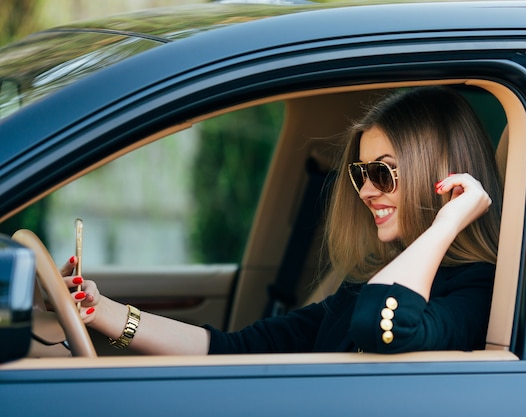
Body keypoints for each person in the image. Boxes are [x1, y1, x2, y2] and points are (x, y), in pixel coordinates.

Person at [61, 86, 503, 355]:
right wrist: (102, 313)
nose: (366, 190)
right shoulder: (363, 286)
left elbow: (381, 324)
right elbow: (233, 350)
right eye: (360, 173)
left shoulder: (477, 290)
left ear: (442, 179)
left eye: (382, 173)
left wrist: (448, 224)